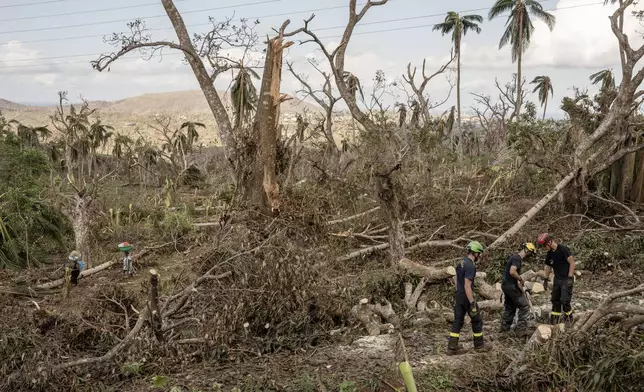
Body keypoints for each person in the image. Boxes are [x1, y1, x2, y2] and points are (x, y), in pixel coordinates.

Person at [447, 241, 489, 355]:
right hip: (466, 296)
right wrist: (472, 302)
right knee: (476, 320)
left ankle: (451, 348)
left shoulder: (461, 262)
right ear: (475, 253)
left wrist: (458, 291)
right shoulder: (470, 265)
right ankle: (479, 346)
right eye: (479, 254)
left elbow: (454, 279)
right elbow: (467, 285)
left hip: (459, 295)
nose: (479, 256)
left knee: (458, 321)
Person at [537, 233, 576, 325]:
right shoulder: (550, 253)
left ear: (549, 242)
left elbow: (572, 263)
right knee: (555, 299)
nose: (544, 248)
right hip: (557, 279)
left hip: (566, 278)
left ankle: (569, 319)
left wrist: (570, 277)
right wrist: (545, 279)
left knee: (565, 300)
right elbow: (548, 266)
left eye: (544, 245)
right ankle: (555, 319)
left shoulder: (563, 249)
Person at [499, 242, 536, 335]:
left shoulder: (514, 257)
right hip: (511, 286)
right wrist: (520, 278)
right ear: (527, 250)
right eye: (530, 254)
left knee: (510, 306)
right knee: (524, 306)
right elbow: (512, 272)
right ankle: (521, 330)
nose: (529, 256)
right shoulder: (517, 258)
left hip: (506, 285)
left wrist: (521, 287)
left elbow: (512, 276)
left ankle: (504, 329)